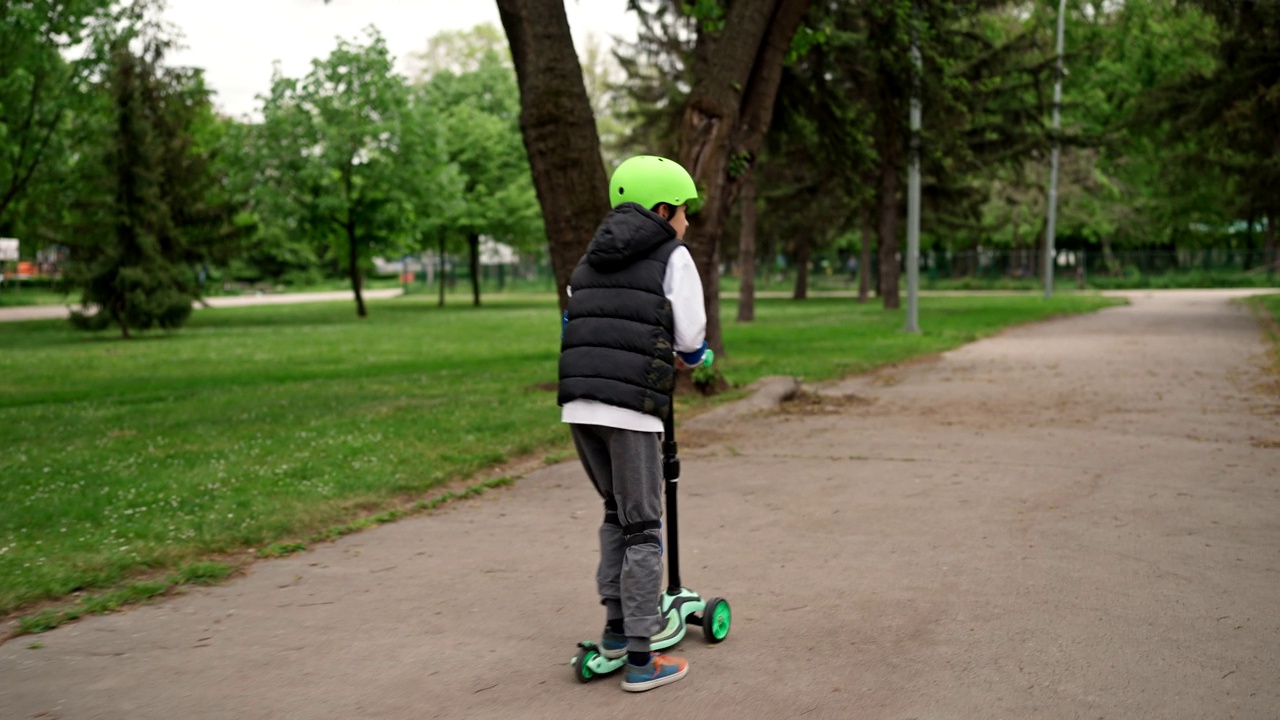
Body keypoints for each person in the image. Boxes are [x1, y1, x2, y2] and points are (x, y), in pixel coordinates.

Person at [558, 155, 709, 693]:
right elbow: (690, 338)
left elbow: (576, 322)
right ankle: (644, 660)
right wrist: (695, 358)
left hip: (579, 404)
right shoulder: (673, 256)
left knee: (615, 514)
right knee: (644, 527)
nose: (687, 222)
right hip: (629, 409)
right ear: (663, 209)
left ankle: (616, 632)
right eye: (685, 210)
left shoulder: (588, 259)